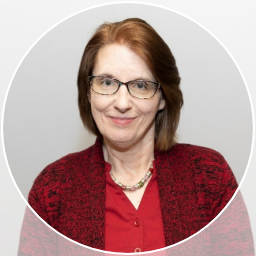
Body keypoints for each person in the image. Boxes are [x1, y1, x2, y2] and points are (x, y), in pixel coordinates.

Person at [28, 18, 238, 253]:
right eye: (107, 82)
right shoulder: (52, 188)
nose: (122, 103)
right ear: (88, 93)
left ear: (162, 98)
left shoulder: (210, 176)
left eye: (140, 85)